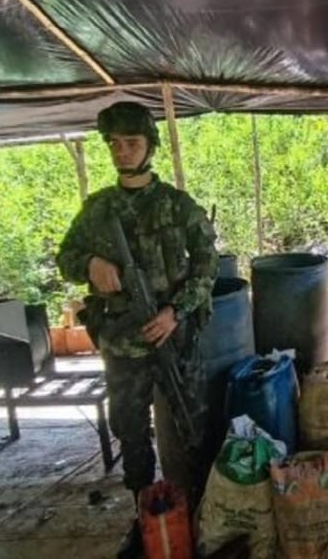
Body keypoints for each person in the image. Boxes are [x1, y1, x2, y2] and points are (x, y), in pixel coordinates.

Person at [56, 101, 218, 558]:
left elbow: (207, 267)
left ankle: (202, 512)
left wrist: (175, 311)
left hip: (173, 338)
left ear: (149, 147)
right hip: (123, 345)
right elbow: (66, 258)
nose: (122, 152)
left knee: (193, 427)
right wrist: (91, 263)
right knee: (130, 432)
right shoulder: (97, 210)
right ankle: (145, 516)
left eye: (132, 143)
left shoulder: (177, 207)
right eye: (115, 144)